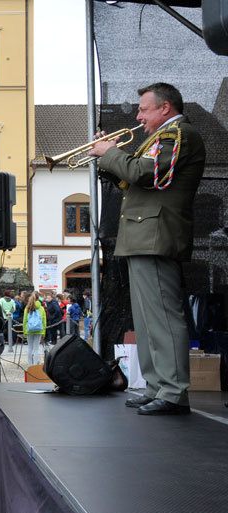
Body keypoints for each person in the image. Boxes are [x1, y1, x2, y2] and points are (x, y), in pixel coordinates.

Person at [89, 82, 204, 416]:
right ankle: (157, 385)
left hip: (156, 235)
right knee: (147, 318)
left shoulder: (177, 135)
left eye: (143, 109)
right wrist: (109, 159)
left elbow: (146, 173)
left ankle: (173, 391)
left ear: (165, 107)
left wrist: (110, 152)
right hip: (144, 235)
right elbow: (132, 179)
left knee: (163, 318)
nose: (138, 116)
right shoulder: (158, 139)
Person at [22, 291, 47, 366]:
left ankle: (30, 364)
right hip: (39, 330)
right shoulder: (41, 308)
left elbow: (25, 321)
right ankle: (35, 365)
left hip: (29, 329)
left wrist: (24, 331)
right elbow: (44, 321)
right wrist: (44, 332)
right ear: (38, 298)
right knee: (36, 348)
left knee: (30, 348)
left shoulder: (27, 308)